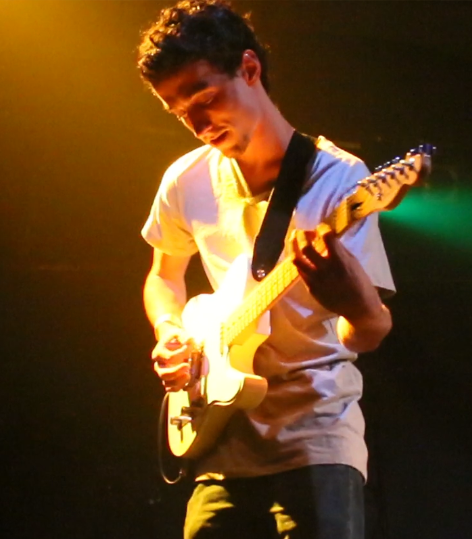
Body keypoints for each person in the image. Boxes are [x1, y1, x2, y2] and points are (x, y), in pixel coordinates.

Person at [137, 1, 394, 538]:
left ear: (249, 69)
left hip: (315, 436)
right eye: (179, 113)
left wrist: (351, 300)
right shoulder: (185, 179)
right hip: (219, 436)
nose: (198, 125)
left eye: (206, 99)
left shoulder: (340, 179)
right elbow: (164, 275)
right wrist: (169, 331)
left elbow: (368, 332)